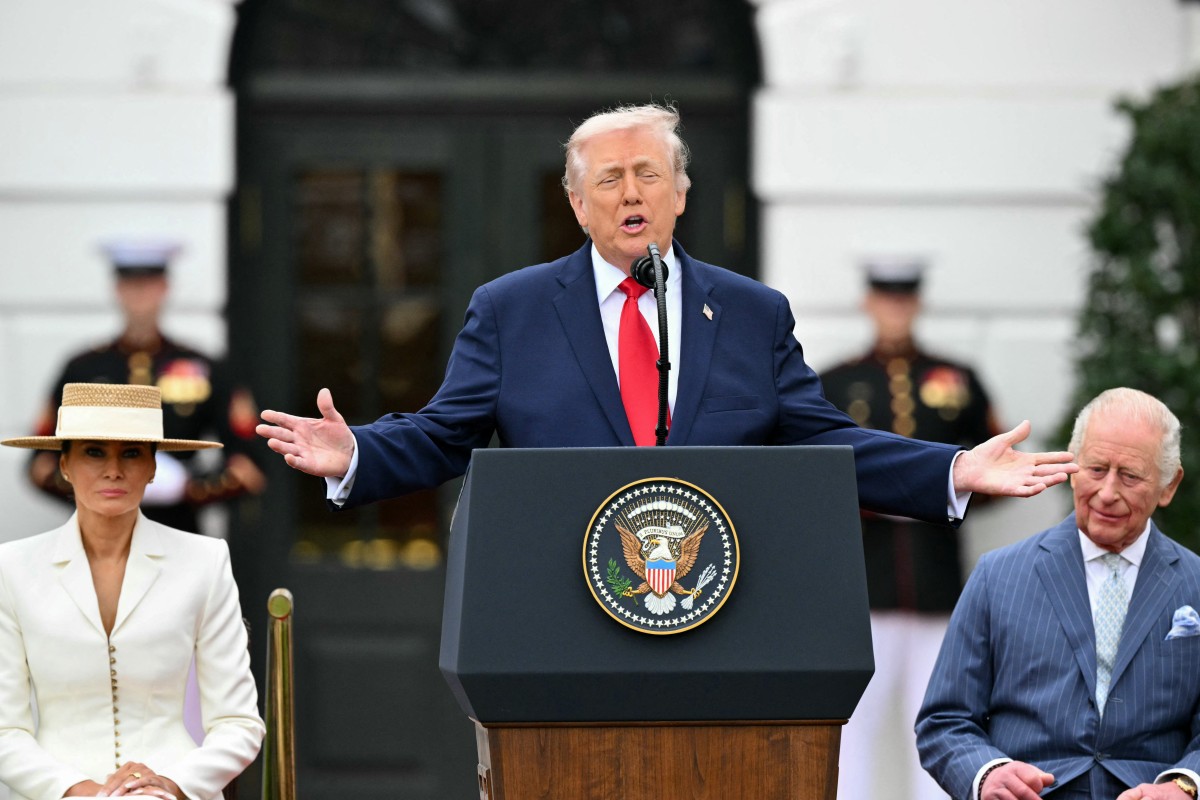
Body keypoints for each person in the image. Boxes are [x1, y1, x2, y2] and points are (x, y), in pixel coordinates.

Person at [256, 103, 1075, 526]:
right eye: (608, 180)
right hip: (559, 608)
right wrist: (359, 452)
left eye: (648, 174)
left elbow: (824, 441)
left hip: (723, 605)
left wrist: (951, 470)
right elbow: (445, 435)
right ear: (577, 205)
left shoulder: (751, 313)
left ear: (681, 194)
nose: (632, 193)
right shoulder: (512, 311)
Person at [916, 388, 1200, 800]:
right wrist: (988, 774)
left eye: (1130, 476)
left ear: (1168, 486)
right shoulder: (999, 576)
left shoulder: (1194, 583)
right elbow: (944, 720)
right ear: (1072, 466)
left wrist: (1186, 784)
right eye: (1096, 469)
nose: (1107, 492)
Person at [0, 383, 265, 800]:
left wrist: (172, 785)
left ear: (153, 466)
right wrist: (78, 791)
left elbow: (239, 722)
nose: (113, 470)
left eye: (131, 453)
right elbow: (4, 729)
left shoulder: (205, 560)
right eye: (93, 452)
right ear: (64, 464)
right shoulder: (12, 567)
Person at [821, 258, 1002, 800]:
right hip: (862, 588)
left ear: (918, 303)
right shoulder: (834, 382)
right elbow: (811, 475)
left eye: (904, 299)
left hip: (936, 585)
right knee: (849, 730)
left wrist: (945, 497)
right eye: (886, 299)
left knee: (940, 726)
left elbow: (994, 469)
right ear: (868, 303)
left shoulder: (957, 379)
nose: (895, 309)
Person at [27, 239, 266, 534]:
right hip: (96, 532)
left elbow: (249, 467)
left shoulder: (205, 367)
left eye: (149, 283)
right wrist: (90, 484)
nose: (139, 294)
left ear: (165, 287)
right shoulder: (82, 367)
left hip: (177, 531)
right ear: (117, 289)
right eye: (131, 284)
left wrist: (187, 487)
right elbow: (40, 463)